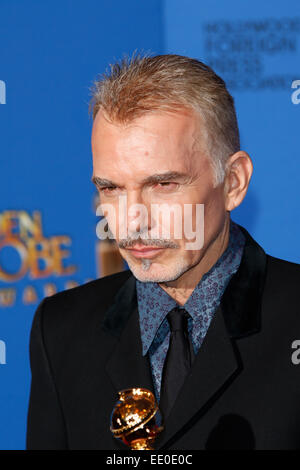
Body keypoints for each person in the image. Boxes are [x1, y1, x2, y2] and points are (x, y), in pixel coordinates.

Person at [26, 54, 300, 450]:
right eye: (111, 188)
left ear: (233, 183)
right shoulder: (61, 330)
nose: (133, 220)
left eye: (163, 185)